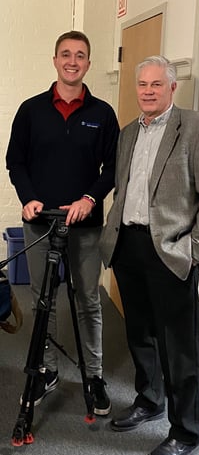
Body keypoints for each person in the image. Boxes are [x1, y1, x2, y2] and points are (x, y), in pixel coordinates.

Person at [100, 55, 199, 455]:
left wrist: (195, 251)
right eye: (142, 84)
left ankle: (185, 432)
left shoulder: (197, 128)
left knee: (180, 346)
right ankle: (149, 400)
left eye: (157, 84)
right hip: (129, 247)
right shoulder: (127, 133)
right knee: (140, 334)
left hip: (171, 252)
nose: (148, 91)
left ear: (173, 87)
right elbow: (123, 189)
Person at [6, 30, 119, 416]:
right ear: (55, 60)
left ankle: (95, 375)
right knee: (44, 301)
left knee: (88, 300)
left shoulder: (102, 114)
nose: (73, 61)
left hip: (85, 228)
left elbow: (113, 168)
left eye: (80, 55)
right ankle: (47, 370)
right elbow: (15, 162)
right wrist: (29, 198)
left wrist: (90, 199)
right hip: (41, 224)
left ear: (89, 64)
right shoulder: (31, 110)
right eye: (66, 54)